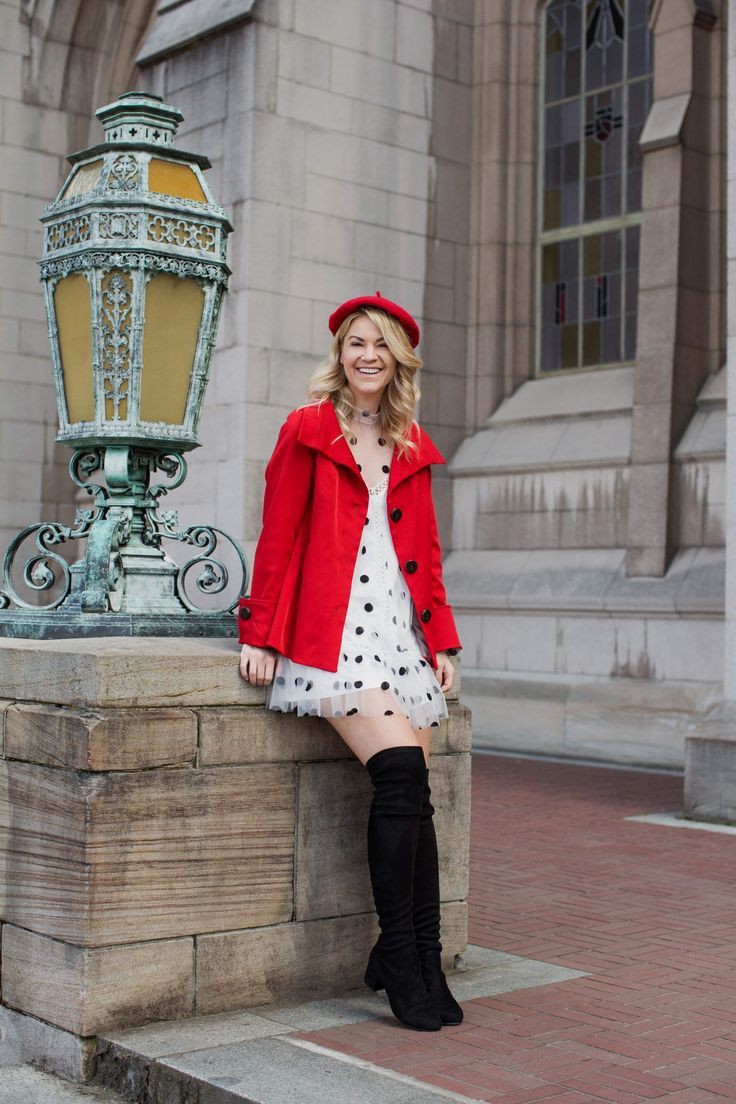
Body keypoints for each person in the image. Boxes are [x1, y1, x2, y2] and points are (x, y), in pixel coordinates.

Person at [238, 292, 463, 1032]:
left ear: (399, 358)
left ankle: (416, 953)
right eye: (355, 342)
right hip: (332, 639)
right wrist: (260, 630)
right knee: (399, 774)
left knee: (414, 795)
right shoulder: (307, 430)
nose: (367, 354)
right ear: (339, 356)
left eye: (381, 344)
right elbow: (280, 535)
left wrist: (444, 643)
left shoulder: (410, 444)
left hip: (399, 634)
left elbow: (425, 556)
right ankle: (401, 954)